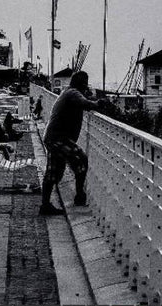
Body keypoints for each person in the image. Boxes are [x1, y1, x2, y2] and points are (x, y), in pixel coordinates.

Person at [39, 71, 110, 216]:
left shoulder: (68, 92)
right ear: (81, 83)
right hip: (59, 138)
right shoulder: (73, 93)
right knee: (81, 159)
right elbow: (85, 103)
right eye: (85, 83)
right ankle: (79, 195)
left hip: (53, 136)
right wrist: (98, 103)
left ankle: (45, 205)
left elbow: (82, 100)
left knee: (54, 171)